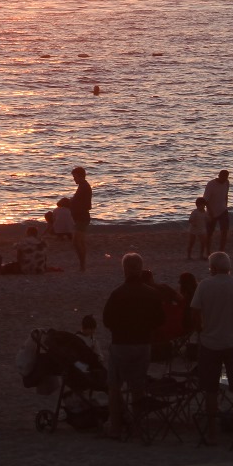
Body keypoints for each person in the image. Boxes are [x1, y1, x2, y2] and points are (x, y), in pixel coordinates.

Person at [100, 253, 164, 438]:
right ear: (141, 269)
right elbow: (160, 319)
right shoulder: (152, 294)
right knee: (138, 386)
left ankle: (116, 428)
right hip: (142, 343)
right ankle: (137, 425)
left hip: (121, 343)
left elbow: (107, 320)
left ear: (125, 270)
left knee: (114, 386)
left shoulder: (118, 293)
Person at [190, 251, 233, 433]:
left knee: (211, 389)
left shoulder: (204, 285)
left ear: (212, 268)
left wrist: (201, 330)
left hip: (211, 343)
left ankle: (212, 429)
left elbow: (194, 312)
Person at [69, 167, 93, 272]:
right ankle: (82, 265)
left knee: (76, 242)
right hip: (80, 217)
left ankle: (82, 265)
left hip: (82, 217)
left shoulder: (84, 187)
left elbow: (86, 204)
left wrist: (72, 203)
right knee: (80, 241)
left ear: (80, 176)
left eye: (75, 177)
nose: (74, 179)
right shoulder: (82, 186)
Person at [203, 170, 230, 255]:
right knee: (209, 233)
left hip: (223, 211)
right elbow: (205, 200)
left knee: (224, 231)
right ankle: (207, 252)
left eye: (226, 178)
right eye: (223, 177)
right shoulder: (211, 184)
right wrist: (210, 212)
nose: (224, 179)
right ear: (219, 176)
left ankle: (221, 251)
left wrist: (226, 206)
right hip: (212, 211)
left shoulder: (226, 183)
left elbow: (226, 195)